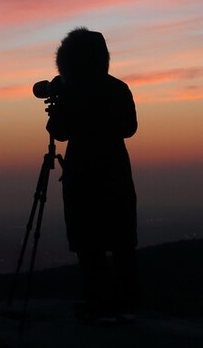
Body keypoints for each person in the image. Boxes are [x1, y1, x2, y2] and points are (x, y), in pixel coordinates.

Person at [44, 28, 139, 323]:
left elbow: (59, 132)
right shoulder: (117, 88)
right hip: (114, 170)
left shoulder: (73, 91)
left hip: (83, 171)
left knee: (88, 242)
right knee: (121, 240)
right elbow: (129, 128)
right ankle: (124, 304)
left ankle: (96, 303)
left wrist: (63, 111)